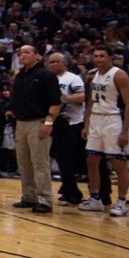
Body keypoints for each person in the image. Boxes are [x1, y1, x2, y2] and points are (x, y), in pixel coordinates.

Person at [80, 45, 129, 216]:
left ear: (111, 57)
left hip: (112, 120)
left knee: (118, 163)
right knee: (92, 159)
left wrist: (125, 130)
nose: (98, 59)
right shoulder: (92, 74)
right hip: (96, 119)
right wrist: (86, 125)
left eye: (102, 56)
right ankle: (95, 199)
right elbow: (90, 102)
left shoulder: (119, 74)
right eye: (95, 56)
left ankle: (121, 202)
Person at [9, 45, 62, 214]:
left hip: (38, 122)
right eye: (20, 52)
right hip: (21, 123)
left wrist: (48, 123)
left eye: (27, 52)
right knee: (23, 163)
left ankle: (45, 199)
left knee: (40, 162)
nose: (22, 55)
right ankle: (29, 196)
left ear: (37, 56)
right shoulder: (20, 75)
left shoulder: (46, 75)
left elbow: (56, 101)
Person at [46, 52, 86, 205]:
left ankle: (73, 192)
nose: (53, 64)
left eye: (56, 61)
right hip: (53, 121)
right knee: (57, 157)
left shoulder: (73, 78)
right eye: (51, 62)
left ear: (64, 63)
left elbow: (82, 96)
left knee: (66, 159)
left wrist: (65, 98)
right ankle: (68, 189)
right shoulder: (49, 78)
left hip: (71, 122)